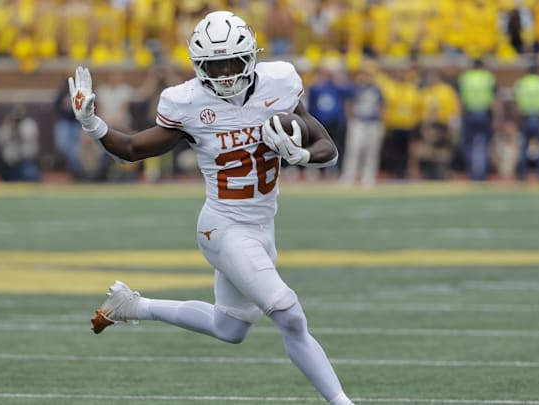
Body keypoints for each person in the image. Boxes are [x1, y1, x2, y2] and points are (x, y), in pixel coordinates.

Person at [70, 11, 355, 405]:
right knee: (289, 314)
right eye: (213, 65)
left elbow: (329, 149)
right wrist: (91, 124)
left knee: (230, 327)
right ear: (197, 65)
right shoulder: (187, 102)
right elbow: (134, 149)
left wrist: (301, 153)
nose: (223, 73)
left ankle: (135, 305)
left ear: (250, 56)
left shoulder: (280, 82)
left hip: (261, 226)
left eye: (231, 62)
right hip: (223, 228)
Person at [0, 104, 42, 182]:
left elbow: (27, 138)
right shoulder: (8, 125)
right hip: (10, 163)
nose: (17, 120)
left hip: (25, 160)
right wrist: (8, 127)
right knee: (9, 180)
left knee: (31, 178)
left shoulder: (29, 124)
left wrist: (19, 127)